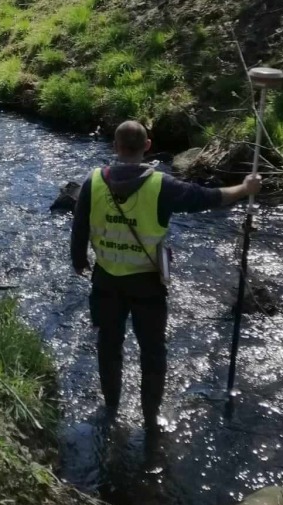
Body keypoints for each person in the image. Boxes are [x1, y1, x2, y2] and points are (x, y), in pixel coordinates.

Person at [71, 120, 262, 430]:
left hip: (106, 280)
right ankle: (151, 419)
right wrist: (245, 189)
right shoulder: (162, 186)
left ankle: (111, 408)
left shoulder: (93, 182)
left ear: (115, 147)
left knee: (108, 346)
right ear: (147, 146)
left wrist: (79, 260)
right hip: (147, 284)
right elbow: (208, 198)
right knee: (153, 352)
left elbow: (79, 226)